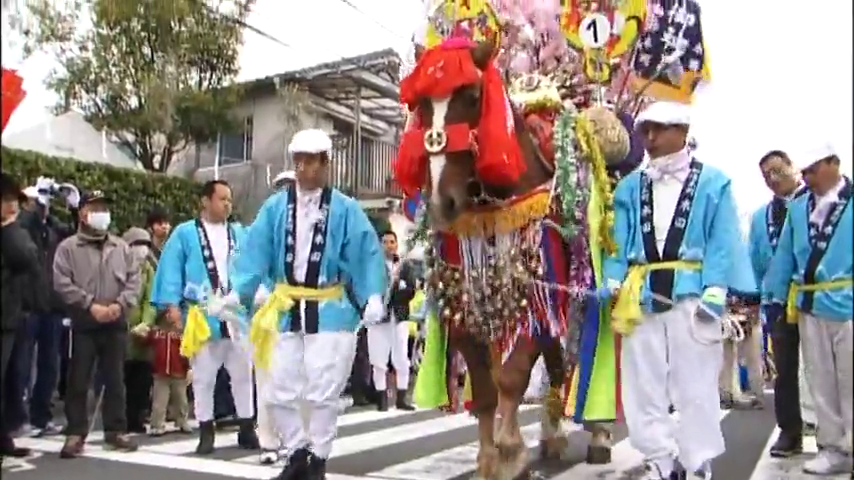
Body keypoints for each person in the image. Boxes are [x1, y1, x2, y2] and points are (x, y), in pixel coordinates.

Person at [600, 102, 756, 480]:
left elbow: (723, 238)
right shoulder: (629, 186)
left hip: (692, 297)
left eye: (659, 129)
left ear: (682, 131)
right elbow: (618, 242)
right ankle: (660, 459)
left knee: (697, 384)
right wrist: (613, 277)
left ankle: (697, 460)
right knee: (643, 384)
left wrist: (716, 288)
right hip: (642, 297)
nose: (650, 139)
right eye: (645, 131)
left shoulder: (713, 181)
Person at [223, 128, 387, 479]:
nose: (304, 169)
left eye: (311, 161)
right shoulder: (275, 207)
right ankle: (297, 450)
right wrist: (241, 291)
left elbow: (365, 251)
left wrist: (372, 294)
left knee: (323, 391)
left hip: (329, 309)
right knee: (277, 390)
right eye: (298, 161)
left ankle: (319, 457)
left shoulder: (346, 209)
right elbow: (255, 251)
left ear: (326, 164)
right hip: (285, 309)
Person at [150, 180, 259, 454]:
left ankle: (247, 428)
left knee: (243, 375)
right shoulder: (185, 234)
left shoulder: (239, 233)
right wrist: (171, 306)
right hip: (202, 315)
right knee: (203, 377)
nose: (227, 204)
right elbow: (172, 270)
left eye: (230, 200)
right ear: (205, 201)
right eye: (222, 199)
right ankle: (206, 430)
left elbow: (254, 268)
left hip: (236, 314)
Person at [764, 144, 852, 475]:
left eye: (814, 170)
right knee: (821, 381)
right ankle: (833, 448)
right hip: (808, 305)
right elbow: (784, 257)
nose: (808, 178)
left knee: (850, 379)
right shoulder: (799, 209)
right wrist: (772, 298)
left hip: (847, 304)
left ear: (833, 163)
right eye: (805, 172)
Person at [52, 190, 142, 457]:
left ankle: (116, 430)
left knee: (115, 379)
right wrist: (90, 304)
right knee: (78, 379)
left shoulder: (121, 247)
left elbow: (134, 280)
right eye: (95, 207)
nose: (101, 213)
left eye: (104, 207)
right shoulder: (68, 248)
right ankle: (75, 432)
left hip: (115, 321)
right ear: (82, 212)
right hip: (83, 322)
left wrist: (119, 305)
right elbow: (61, 282)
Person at [747, 150, 815, 457]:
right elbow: (755, 260)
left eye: (777, 170)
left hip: (815, 296)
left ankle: (832, 430)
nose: (773, 179)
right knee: (784, 369)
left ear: (793, 167)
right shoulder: (761, 216)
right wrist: (752, 297)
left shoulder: (815, 203)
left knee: (825, 366)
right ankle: (790, 431)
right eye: (766, 175)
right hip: (777, 301)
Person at [16, 177, 80, 437]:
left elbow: (77, 235)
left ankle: (40, 417)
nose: (41, 205)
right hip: (27, 305)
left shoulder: (53, 227)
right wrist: (38, 205)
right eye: (34, 200)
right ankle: (17, 418)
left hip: (52, 306)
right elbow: (26, 229)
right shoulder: (22, 226)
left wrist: (74, 206)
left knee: (49, 366)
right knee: (21, 365)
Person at [0, 173, 39, 462]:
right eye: (7, 201)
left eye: (14, 200)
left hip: (11, 316)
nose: (12, 207)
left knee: (12, 380)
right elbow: (24, 256)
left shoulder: (11, 229)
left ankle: (5, 437)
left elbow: (29, 256)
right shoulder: (9, 232)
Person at [367, 230, 417, 411]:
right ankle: (381, 399)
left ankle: (401, 398)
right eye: (385, 242)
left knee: (401, 357)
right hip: (378, 318)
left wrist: (398, 290)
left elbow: (411, 290)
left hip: (400, 316)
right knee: (378, 359)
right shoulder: (372, 266)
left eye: (392, 242)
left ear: (396, 244)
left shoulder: (405, 266)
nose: (389, 245)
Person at [122, 227, 157, 433]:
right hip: (122, 330)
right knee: (122, 377)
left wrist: (146, 322)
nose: (142, 250)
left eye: (145, 245)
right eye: (137, 244)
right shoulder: (116, 266)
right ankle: (122, 417)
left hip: (142, 336)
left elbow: (150, 299)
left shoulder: (148, 269)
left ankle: (137, 416)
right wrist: (128, 326)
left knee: (142, 377)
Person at [131, 317, 191, 436]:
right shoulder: (156, 332)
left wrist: (189, 368)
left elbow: (187, 351)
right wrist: (138, 334)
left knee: (181, 399)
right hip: (160, 373)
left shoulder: (180, 333)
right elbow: (145, 342)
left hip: (178, 372)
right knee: (159, 401)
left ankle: (182, 421)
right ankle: (157, 424)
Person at [718, 291, 764, 409]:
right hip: (727, 313)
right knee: (726, 360)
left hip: (750, 313)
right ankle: (726, 395)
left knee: (753, 358)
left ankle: (757, 395)